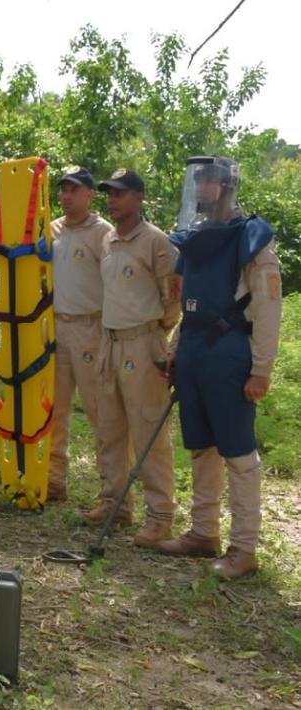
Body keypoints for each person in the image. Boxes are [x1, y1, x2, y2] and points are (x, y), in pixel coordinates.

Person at [157, 156, 281, 580]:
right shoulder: (195, 240)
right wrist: (175, 349)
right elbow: (187, 304)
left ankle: (243, 548)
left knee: (237, 452)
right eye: (197, 180)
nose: (200, 189)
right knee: (201, 447)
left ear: (226, 186)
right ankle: (202, 533)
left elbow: (267, 308)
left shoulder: (252, 239)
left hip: (229, 356)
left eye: (208, 181)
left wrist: (261, 369)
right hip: (193, 351)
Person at [0, 166, 112, 502]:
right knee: (53, 409)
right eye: (63, 190)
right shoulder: (50, 229)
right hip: (52, 329)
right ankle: (53, 482)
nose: (67, 196)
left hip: (90, 329)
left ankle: (113, 496)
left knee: (102, 414)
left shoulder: (103, 233)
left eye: (75, 190)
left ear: (89, 194)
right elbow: (22, 256)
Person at [90, 169, 179, 548]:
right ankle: (115, 502)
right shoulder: (108, 240)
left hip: (143, 343)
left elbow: (172, 297)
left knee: (148, 431)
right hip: (109, 341)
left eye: (120, 194)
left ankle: (159, 515)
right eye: (109, 193)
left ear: (139, 198)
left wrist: (157, 338)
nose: (112, 199)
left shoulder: (156, 242)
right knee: (109, 428)